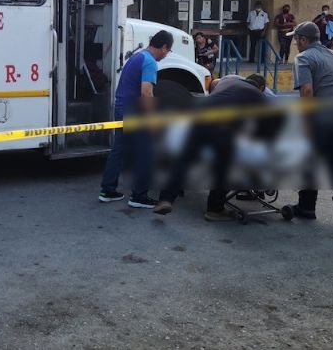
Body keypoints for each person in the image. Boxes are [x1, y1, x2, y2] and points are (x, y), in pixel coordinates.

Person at [153, 74, 266, 220]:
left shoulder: (229, 83)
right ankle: (215, 209)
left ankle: (166, 199)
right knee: (223, 167)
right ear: (261, 87)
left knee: (184, 160)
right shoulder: (257, 95)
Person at [286, 21, 333, 225]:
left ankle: (307, 207)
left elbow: (307, 91)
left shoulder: (304, 58)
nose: (295, 44)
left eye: (296, 39)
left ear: (304, 40)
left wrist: (306, 123)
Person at [98, 30, 174, 208]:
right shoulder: (150, 62)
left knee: (119, 149)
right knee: (146, 151)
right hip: (135, 111)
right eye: (168, 51)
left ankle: (107, 190)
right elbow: (146, 92)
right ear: (164, 47)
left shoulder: (137, 56)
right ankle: (139, 196)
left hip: (121, 107)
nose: (166, 54)